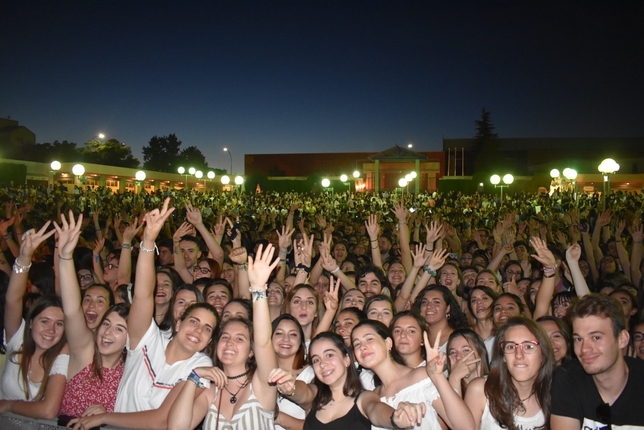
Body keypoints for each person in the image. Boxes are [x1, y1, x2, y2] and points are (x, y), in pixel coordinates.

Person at [68, 198, 217, 429]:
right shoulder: (148, 339)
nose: (199, 330)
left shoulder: (201, 365)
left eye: (207, 329)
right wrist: (148, 242)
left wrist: (106, 417)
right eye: (194, 321)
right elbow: (143, 296)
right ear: (178, 323)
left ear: (209, 339)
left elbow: (162, 420)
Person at [167, 244, 280, 430]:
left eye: (240, 339)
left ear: (252, 352)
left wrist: (258, 288)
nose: (229, 343)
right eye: (225, 337)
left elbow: (263, 341)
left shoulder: (262, 385)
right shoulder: (210, 393)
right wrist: (193, 378)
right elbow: (177, 428)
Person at [268, 331, 426, 430]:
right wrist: (291, 387)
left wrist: (395, 418)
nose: (323, 364)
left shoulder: (364, 398)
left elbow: (376, 410)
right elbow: (303, 392)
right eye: (316, 360)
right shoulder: (316, 397)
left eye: (329, 355)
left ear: (346, 360)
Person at [55, 212, 129, 419]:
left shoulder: (132, 369)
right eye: (107, 324)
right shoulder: (86, 349)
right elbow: (71, 310)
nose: (107, 332)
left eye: (119, 329)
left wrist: (108, 416)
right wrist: (66, 256)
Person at [351, 320, 477, 430]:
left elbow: (466, 427)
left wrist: (437, 376)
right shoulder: (373, 396)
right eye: (357, 344)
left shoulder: (421, 376)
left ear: (388, 343)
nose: (363, 347)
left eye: (369, 339)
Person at [0, 222, 69, 419]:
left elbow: (48, 410)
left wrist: (9, 405)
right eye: (44, 321)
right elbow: (12, 299)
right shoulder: (18, 339)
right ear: (30, 323)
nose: (51, 330)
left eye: (59, 324)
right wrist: (24, 257)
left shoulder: (61, 355)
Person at [551, 294, 644, 428]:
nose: (585, 349)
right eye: (579, 339)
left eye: (596, 337)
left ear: (622, 339)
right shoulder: (568, 377)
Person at [465, 317, 554, 430]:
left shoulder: (557, 395)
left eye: (528, 346)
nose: (518, 355)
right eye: (511, 347)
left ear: (543, 353)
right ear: (503, 357)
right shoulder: (481, 390)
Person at [446, 328, 489, 397]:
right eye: (453, 352)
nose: (458, 357)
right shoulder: (441, 389)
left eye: (466, 350)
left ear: (482, 352)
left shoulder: (497, 384)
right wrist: (454, 379)